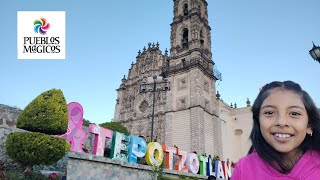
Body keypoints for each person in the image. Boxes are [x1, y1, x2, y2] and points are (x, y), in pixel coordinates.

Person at [232, 81, 320, 179]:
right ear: (258, 121)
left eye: (294, 114)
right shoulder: (244, 168)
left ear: (309, 124)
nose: (281, 122)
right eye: (269, 112)